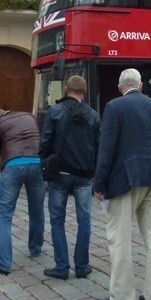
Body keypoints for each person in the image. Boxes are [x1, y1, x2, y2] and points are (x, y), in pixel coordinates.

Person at [93, 68, 151, 300]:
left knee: (119, 240)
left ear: (121, 87)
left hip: (123, 181)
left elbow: (106, 149)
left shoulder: (114, 107)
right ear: (141, 85)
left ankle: (122, 297)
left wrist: (99, 182)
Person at [39, 75, 101, 280]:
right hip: (84, 176)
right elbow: (100, 146)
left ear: (66, 89)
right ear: (84, 91)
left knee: (57, 220)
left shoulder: (55, 111)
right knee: (84, 220)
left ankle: (62, 267)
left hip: (60, 173)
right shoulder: (93, 115)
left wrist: (44, 166)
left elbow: (45, 141)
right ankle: (82, 266)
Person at [0, 108, 45, 275]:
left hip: (12, 166)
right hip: (36, 163)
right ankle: (35, 248)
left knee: (4, 214)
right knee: (37, 209)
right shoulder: (29, 116)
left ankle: (3, 263)